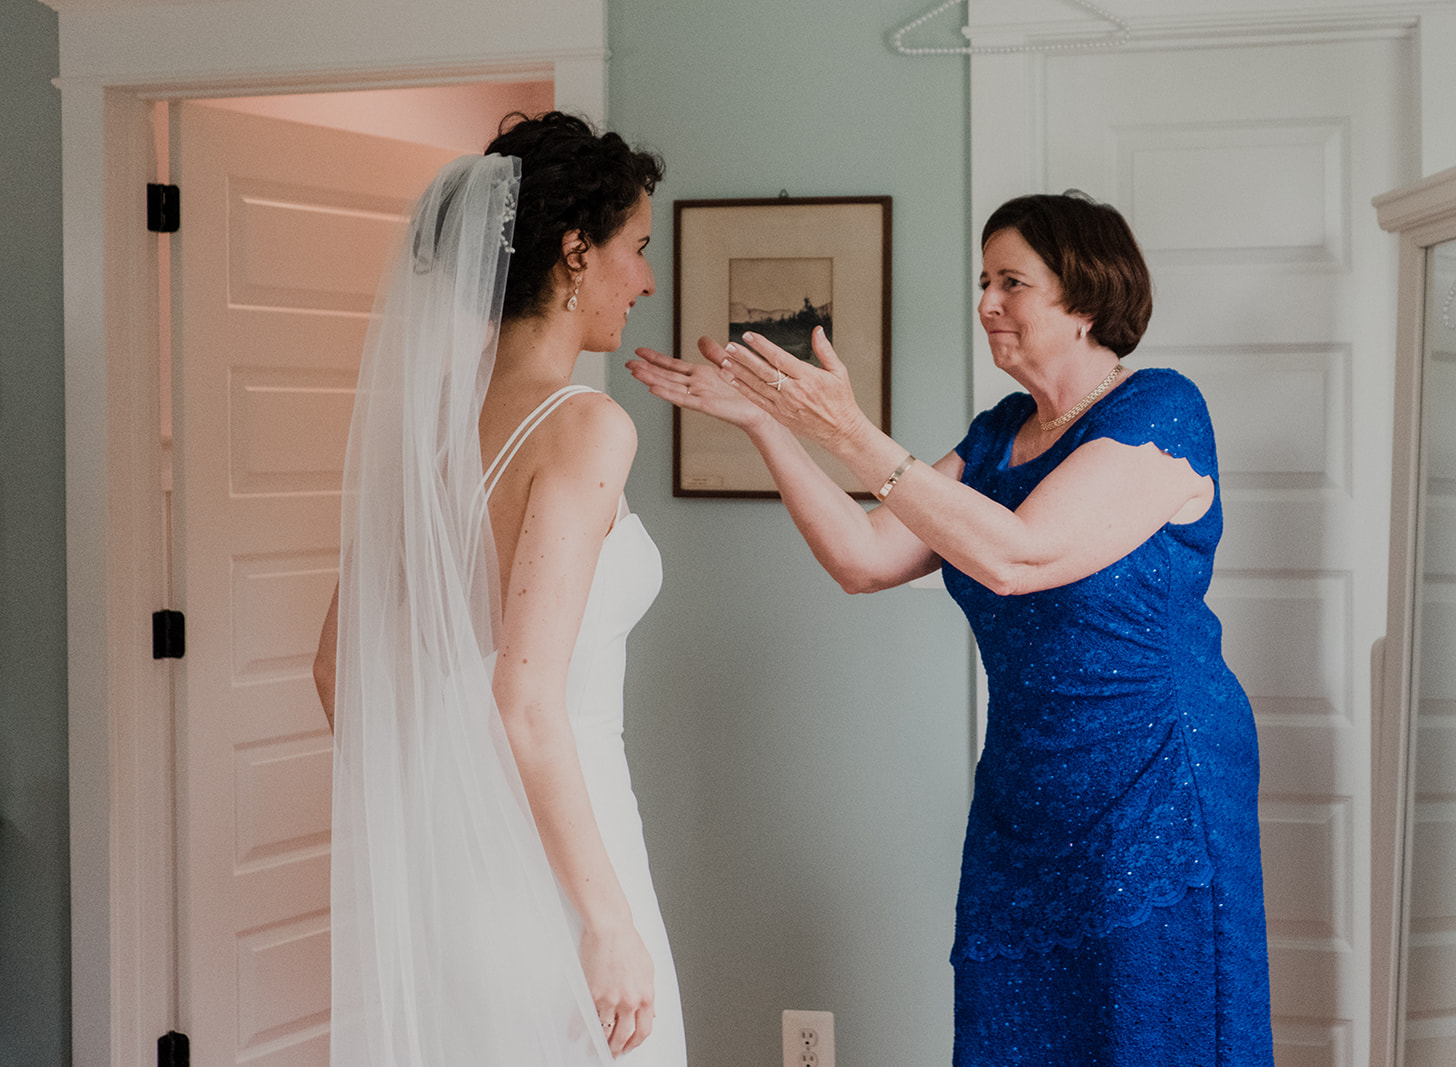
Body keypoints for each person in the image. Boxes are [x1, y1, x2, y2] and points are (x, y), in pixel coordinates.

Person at [628, 191, 1273, 1064]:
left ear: (1085, 300)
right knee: (1020, 1030)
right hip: (1027, 786)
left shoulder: (1161, 410)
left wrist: (853, 435)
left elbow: (1021, 556)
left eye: (1013, 282)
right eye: (983, 280)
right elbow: (865, 555)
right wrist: (769, 424)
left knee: (1150, 1030)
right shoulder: (1001, 433)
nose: (985, 303)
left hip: (1155, 781)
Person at [313, 111, 686, 1065]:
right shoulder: (585, 427)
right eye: (636, 248)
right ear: (575, 253)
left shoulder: (432, 430)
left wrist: (444, 813)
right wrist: (604, 922)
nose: (645, 278)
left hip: (458, 874)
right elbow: (524, 700)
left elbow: (332, 667)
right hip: (563, 873)